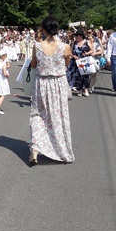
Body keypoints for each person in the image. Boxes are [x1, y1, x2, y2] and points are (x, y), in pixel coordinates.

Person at [29, 16, 75, 165]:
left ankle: (35, 148)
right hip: (58, 84)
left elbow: (34, 65)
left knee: (38, 115)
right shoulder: (65, 47)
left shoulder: (37, 46)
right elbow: (66, 64)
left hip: (41, 83)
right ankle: (60, 150)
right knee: (58, 117)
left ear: (43, 29)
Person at [66, 29, 93, 97]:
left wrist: (87, 53)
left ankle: (86, 89)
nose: (76, 37)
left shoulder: (87, 42)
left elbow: (92, 50)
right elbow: (70, 51)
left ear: (81, 36)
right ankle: (80, 90)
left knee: (86, 76)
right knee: (78, 76)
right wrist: (74, 56)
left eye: (77, 36)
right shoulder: (74, 43)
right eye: (76, 36)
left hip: (85, 61)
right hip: (76, 62)